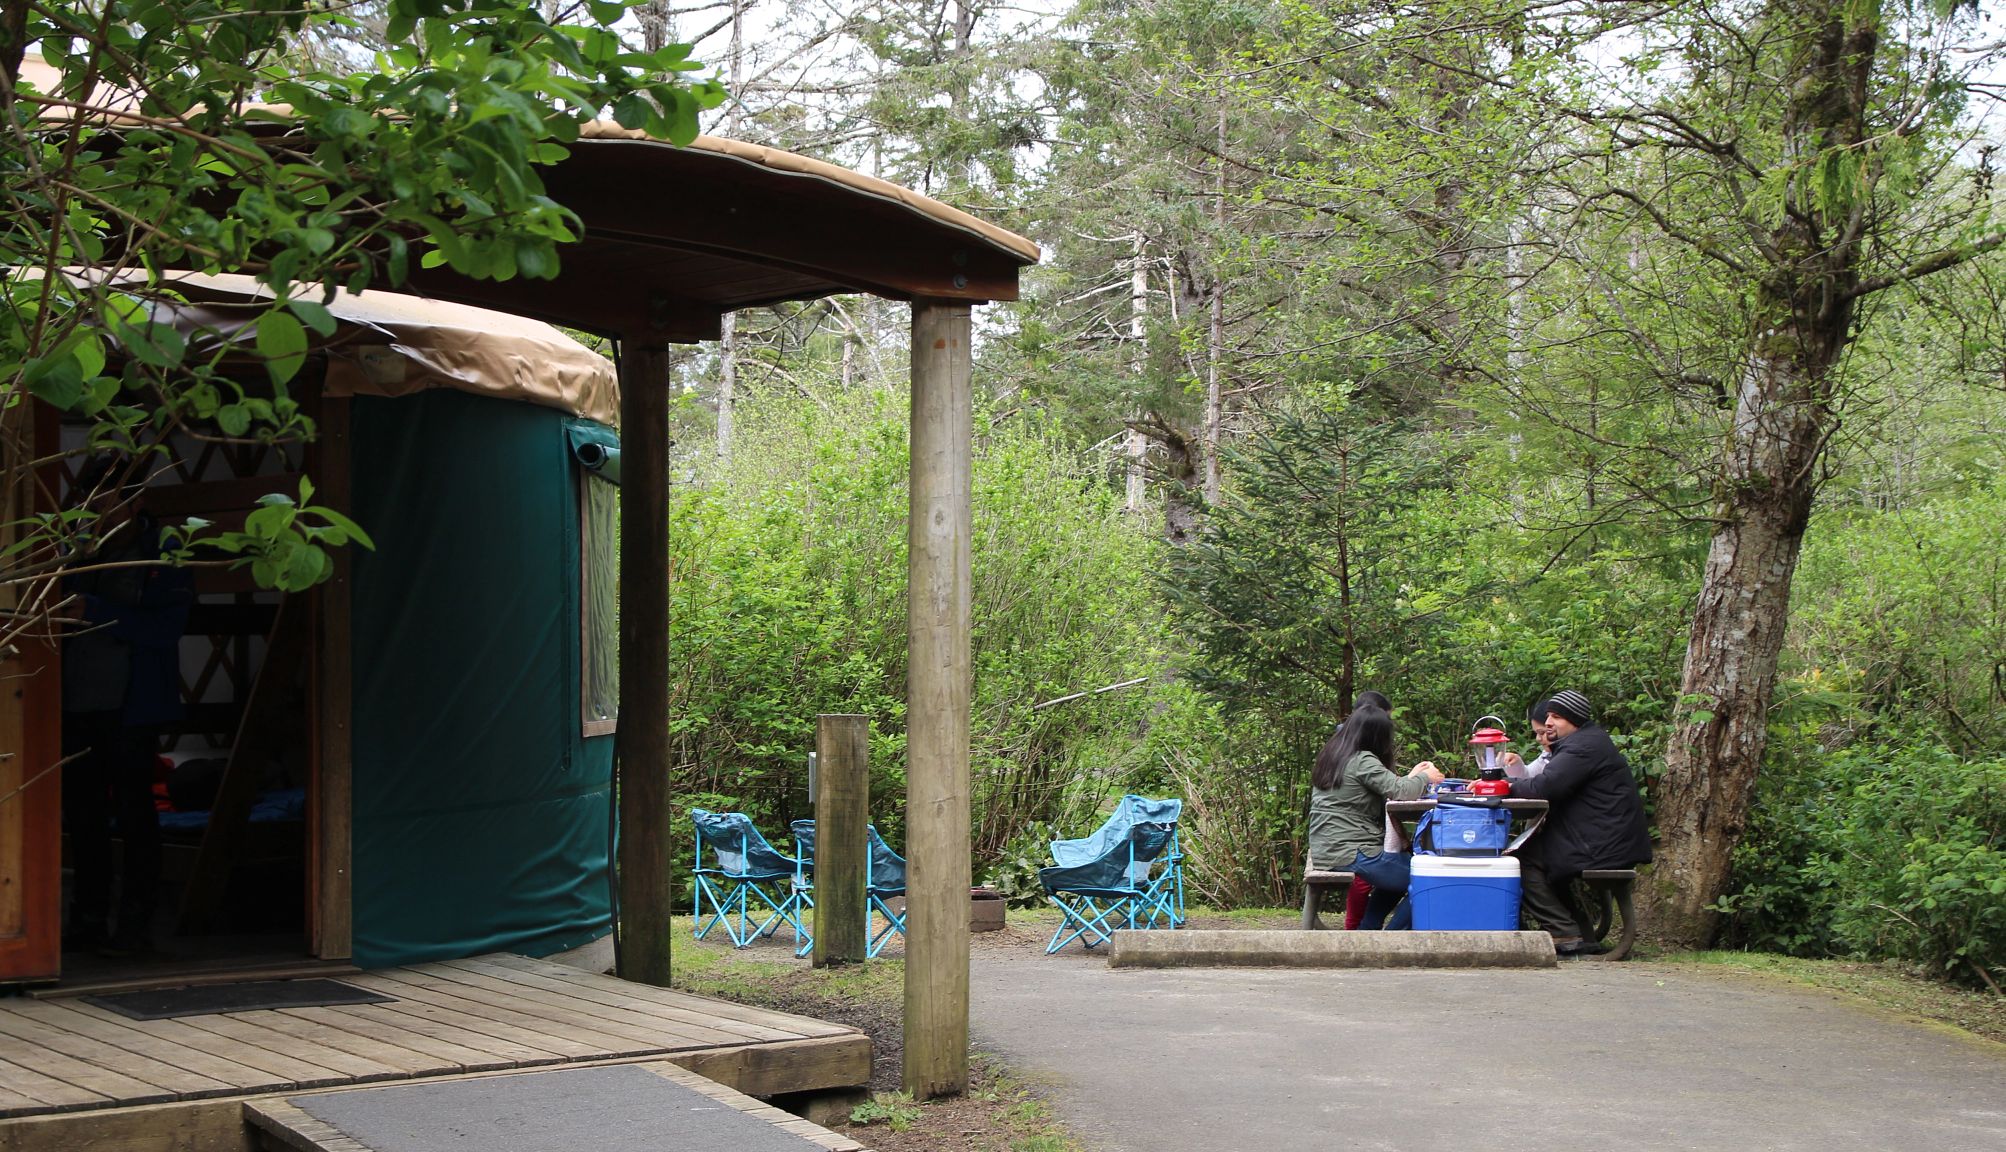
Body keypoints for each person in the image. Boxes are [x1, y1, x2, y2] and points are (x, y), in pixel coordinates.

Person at [61, 461, 192, 955]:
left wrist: (94, 611)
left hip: (131, 704)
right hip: (77, 701)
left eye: (106, 500)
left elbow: (166, 631)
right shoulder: (77, 550)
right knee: (83, 815)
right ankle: (87, 922)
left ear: (137, 502)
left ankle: (135, 927)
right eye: (90, 501)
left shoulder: (166, 549)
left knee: (136, 814)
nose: (96, 510)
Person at [1505, 689, 1651, 956]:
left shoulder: (1583, 747)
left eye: (1557, 716)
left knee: (1517, 861)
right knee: (1533, 854)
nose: (1548, 722)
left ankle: (1562, 930)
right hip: (1602, 837)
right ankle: (1578, 932)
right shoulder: (1584, 742)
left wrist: (1501, 787)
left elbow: (1544, 787)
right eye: (1548, 715)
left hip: (1603, 844)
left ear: (1574, 719)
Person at [1307, 702, 1442, 930]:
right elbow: (1400, 791)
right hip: (1351, 850)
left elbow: (1387, 788)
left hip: (1329, 847)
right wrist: (1426, 777)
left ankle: (1367, 931)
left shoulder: (1334, 756)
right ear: (1375, 736)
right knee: (1431, 879)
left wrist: (1411, 778)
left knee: (1403, 872)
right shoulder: (1362, 760)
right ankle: (1391, 941)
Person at [1500, 699, 1554, 780]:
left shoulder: (1571, 757)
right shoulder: (1547, 755)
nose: (1538, 739)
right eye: (1536, 733)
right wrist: (1515, 764)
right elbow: (1528, 777)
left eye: (1542, 732)